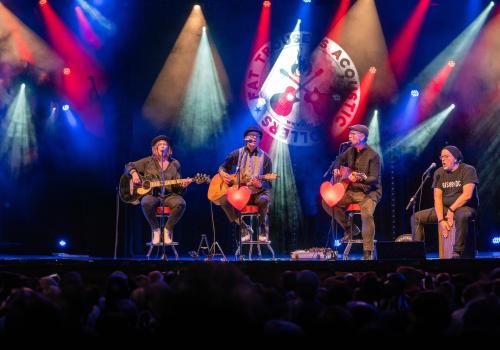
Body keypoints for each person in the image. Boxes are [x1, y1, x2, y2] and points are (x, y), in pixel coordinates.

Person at [322, 124, 382, 260]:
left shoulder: (373, 155)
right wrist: (336, 168)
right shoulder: (349, 151)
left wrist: (363, 178)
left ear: (362, 137)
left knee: (366, 214)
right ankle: (350, 228)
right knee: (328, 202)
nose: (350, 136)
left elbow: (374, 179)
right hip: (351, 191)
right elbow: (338, 159)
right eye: (350, 134)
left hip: (369, 193)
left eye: (353, 134)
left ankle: (367, 251)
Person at [411, 145, 478, 258]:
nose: (443, 159)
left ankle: (457, 252)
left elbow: (467, 195)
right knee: (415, 217)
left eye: (446, 157)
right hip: (445, 208)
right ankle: (417, 254)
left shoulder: (468, 170)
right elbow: (437, 198)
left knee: (460, 215)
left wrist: (452, 210)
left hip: (465, 207)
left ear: (456, 158)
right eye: (441, 157)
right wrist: (441, 220)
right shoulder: (439, 173)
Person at [125, 135, 191, 245]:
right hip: (153, 195)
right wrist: (134, 174)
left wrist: (183, 185)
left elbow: (177, 188)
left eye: (165, 145)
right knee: (145, 202)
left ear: (168, 148)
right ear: (155, 148)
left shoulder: (175, 164)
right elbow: (129, 165)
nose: (162, 146)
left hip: (170, 195)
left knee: (181, 203)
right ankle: (156, 230)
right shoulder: (147, 161)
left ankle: (167, 230)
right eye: (160, 145)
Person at [217, 126, 273, 242]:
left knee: (264, 199)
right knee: (223, 200)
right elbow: (223, 167)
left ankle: (262, 228)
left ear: (259, 140)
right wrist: (222, 173)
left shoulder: (266, 158)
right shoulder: (238, 153)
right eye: (250, 136)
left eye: (256, 137)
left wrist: (260, 185)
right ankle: (243, 227)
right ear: (245, 139)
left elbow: (269, 182)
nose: (253, 138)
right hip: (242, 192)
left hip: (259, 192)